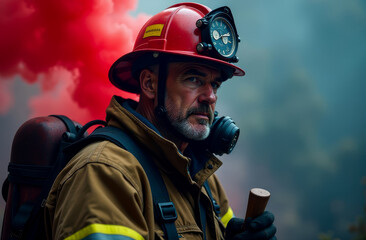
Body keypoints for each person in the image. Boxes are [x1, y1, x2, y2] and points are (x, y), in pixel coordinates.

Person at [44, 3, 276, 240]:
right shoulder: (105, 173)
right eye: (194, 79)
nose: (211, 96)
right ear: (149, 84)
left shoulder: (202, 178)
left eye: (215, 84)